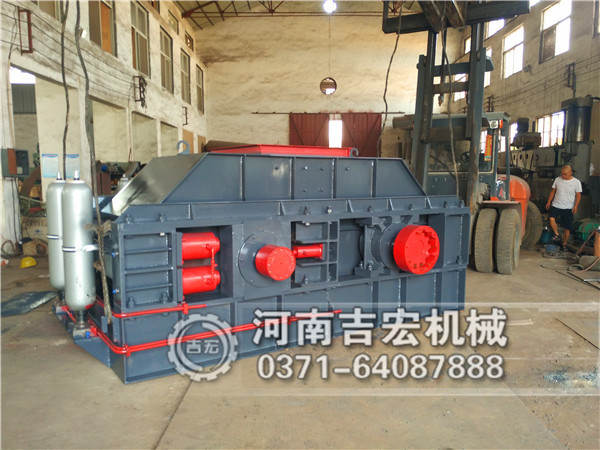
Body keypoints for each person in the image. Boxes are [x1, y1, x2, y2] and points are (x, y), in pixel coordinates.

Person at [545, 165, 582, 250]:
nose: (563, 176)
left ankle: (564, 244)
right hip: (556, 205)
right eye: (562, 174)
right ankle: (557, 234)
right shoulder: (557, 180)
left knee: (567, 228)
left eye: (565, 174)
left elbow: (578, 195)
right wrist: (549, 201)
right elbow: (553, 191)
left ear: (570, 173)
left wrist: (576, 206)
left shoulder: (576, 182)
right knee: (551, 219)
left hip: (568, 207)